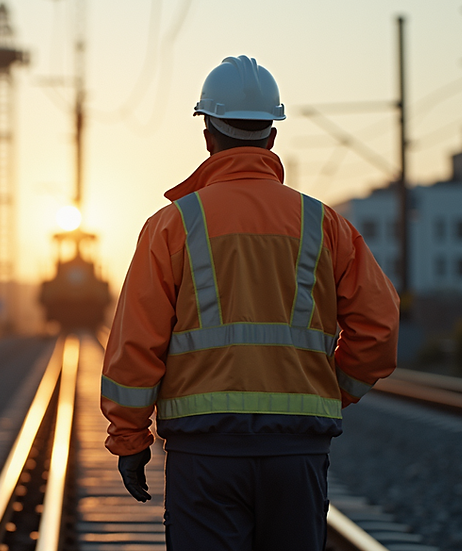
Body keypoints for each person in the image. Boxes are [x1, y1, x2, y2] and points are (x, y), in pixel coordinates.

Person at [100, 55, 400, 551]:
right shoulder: (322, 225)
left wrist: (130, 441)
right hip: (297, 453)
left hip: (205, 457)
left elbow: (135, 344)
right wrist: (332, 388)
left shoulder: (172, 226)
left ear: (207, 135)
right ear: (272, 136)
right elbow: (381, 329)